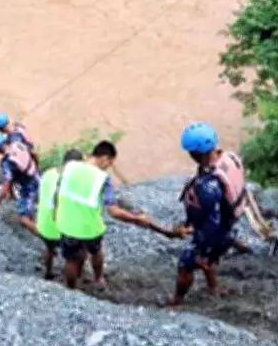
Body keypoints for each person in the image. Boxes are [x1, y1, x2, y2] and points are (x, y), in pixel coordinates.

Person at [54, 140, 186, 290]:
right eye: (109, 163)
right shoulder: (102, 178)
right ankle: (98, 279)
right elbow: (113, 211)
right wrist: (136, 218)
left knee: (70, 260)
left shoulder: (70, 167)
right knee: (96, 252)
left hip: (67, 225)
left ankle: (71, 290)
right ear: (105, 158)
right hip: (90, 228)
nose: (108, 167)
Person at [168, 122, 243, 308]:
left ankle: (176, 301)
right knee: (209, 257)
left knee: (186, 263)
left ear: (196, 154)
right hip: (227, 225)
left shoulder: (208, 186)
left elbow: (212, 224)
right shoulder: (228, 159)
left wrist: (202, 248)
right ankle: (213, 287)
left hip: (217, 232)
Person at [35, 148, 84, 280]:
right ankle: (77, 276)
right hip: (62, 227)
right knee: (75, 255)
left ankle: (48, 273)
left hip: (44, 223)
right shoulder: (73, 180)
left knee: (50, 249)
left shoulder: (48, 173)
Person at [0, 132, 41, 237]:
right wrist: (36, 167)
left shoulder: (6, 163)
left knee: (24, 219)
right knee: (33, 207)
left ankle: (47, 238)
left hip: (29, 188)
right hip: (36, 176)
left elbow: (6, 184)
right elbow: (34, 154)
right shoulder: (17, 143)